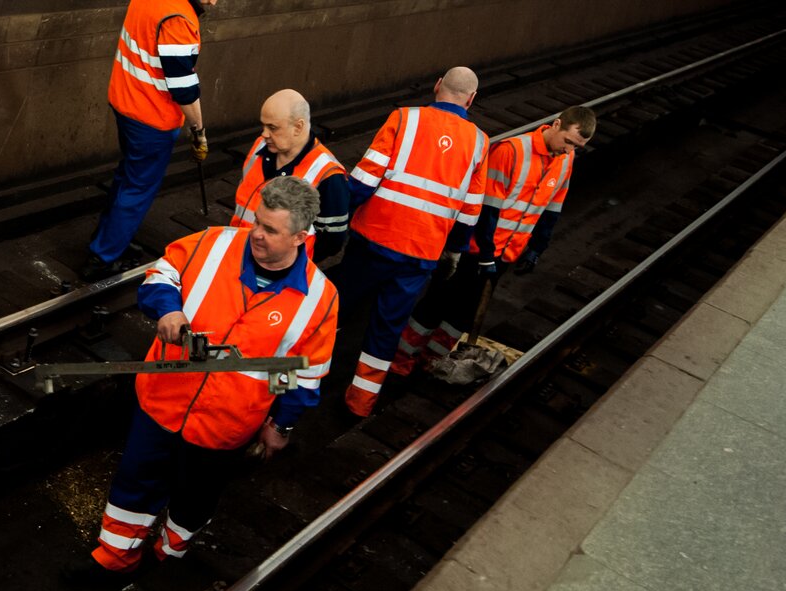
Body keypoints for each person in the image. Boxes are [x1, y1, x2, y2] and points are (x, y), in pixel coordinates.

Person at [69, 176, 338, 581]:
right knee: (136, 482)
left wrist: (279, 425)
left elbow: (299, 375)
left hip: (225, 425)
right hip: (162, 401)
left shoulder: (320, 300)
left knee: (195, 499)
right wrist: (166, 309)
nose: (256, 235)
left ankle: (169, 554)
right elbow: (162, 275)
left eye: (270, 230)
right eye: (256, 222)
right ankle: (114, 556)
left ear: (300, 236)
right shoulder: (213, 244)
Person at [331, 67, 489, 418]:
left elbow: (363, 179)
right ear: (472, 99)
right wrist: (453, 252)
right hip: (420, 255)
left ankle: (297, 381)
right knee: (386, 330)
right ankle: (360, 404)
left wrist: (337, 220)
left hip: (373, 241)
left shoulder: (404, 119)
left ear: (436, 87)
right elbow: (469, 213)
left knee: (333, 309)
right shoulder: (480, 142)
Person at [392, 106, 597, 373]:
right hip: (475, 251)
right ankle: (401, 361)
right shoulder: (511, 151)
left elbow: (553, 207)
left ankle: (432, 361)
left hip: (505, 254)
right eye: (568, 142)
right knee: (439, 301)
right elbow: (485, 209)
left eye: (577, 147)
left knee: (463, 314)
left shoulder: (565, 160)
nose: (569, 150)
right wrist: (486, 254)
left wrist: (537, 247)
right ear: (556, 125)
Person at [82, 0, 218, 281]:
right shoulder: (178, 20)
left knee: (127, 176)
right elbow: (184, 90)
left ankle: (108, 237)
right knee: (137, 188)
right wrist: (199, 130)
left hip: (125, 101)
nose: (215, 2)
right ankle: (103, 257)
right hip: (151, 119)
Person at [230, 89, 350, 261]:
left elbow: (332, 241)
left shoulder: (328, 175)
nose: (264, 134)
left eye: (272, 127)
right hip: (237, 251)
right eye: (263, 125)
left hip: (276, 269)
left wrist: (290, 264)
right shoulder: (260, 146)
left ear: (298, 127)